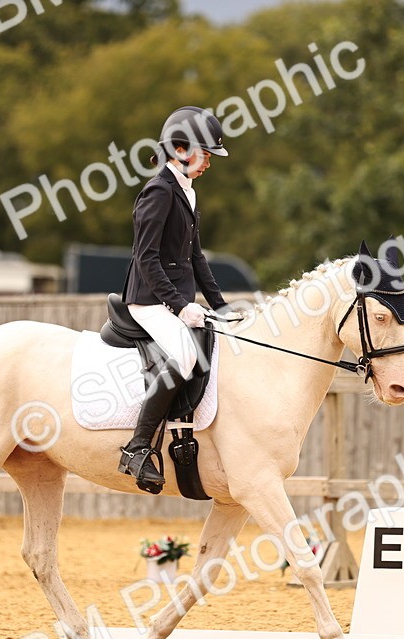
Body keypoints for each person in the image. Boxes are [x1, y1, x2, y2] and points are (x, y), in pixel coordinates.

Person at [117, 106, 229, 493]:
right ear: (180, 150)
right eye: (206, 154)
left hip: (173, 299)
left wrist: (223, 308)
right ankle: (137, 447)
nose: (209, 164)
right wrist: (179, 305)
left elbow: (196, 258)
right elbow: (146, 258)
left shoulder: (187, 193)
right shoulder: (159, 192)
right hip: (148, 299)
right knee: (184, 355)